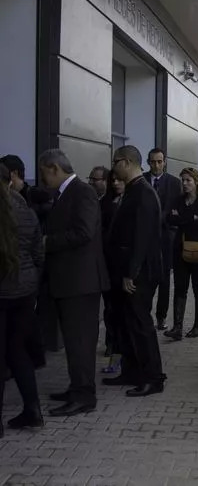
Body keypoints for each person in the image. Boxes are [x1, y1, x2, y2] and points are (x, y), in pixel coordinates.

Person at [39, 149, 109, 417]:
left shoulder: (82, 192)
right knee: (73, 340)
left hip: (81, 282)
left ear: (54, 168)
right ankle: (77, 387)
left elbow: (83, 232)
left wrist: (48, 243)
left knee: (80, 341)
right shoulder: (65, 193)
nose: (44, 180)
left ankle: (84, 396)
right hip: (70, 282)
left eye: (45, 174)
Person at [104, 145, 166, 397]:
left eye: (116, 162)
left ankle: (153, 377)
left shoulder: (142, 193)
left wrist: (131, 272)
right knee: (128, 323)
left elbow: (141, 237)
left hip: (139, 273)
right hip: (129, 271)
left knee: (141, 324)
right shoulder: (134, 190)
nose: (113, 167)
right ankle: (131, 371)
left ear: (127, 162)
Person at [0, 164, 44, 436]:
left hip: (3, 293)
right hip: (25, 293)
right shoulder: (26, 210)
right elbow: (39, 254)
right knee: (18, 352)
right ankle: (33, 410)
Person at [164, 167, 198, 340]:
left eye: (188, 180)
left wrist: (183, 218)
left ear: (196, 182)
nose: (184, 184)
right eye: (183, 180)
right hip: (180, 249)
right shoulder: (178, 200)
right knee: (180, 287)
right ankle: (177, 327)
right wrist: (190, 217)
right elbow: (170, 218)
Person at [143, 148, 181, 330]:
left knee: (164, 279)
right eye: (153, 162)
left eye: (159, 161)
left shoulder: (174, 182)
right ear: (148, 162)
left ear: (164, 162)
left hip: (166, 237)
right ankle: (144, 313)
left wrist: (160, 218)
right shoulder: (141, 180)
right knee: (146, 277)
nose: (156, 165)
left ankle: (161, 317)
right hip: (146, 237)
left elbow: (175, 208)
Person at [99, 170, 125, 373]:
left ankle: (121, 354)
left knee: (123, 313)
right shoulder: (104, 203)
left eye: (119, 179)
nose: (116, 183)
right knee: (110, 310)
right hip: (107, 263)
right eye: (113, 180)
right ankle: (111, 343)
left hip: (124, 267)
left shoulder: (133, 201)